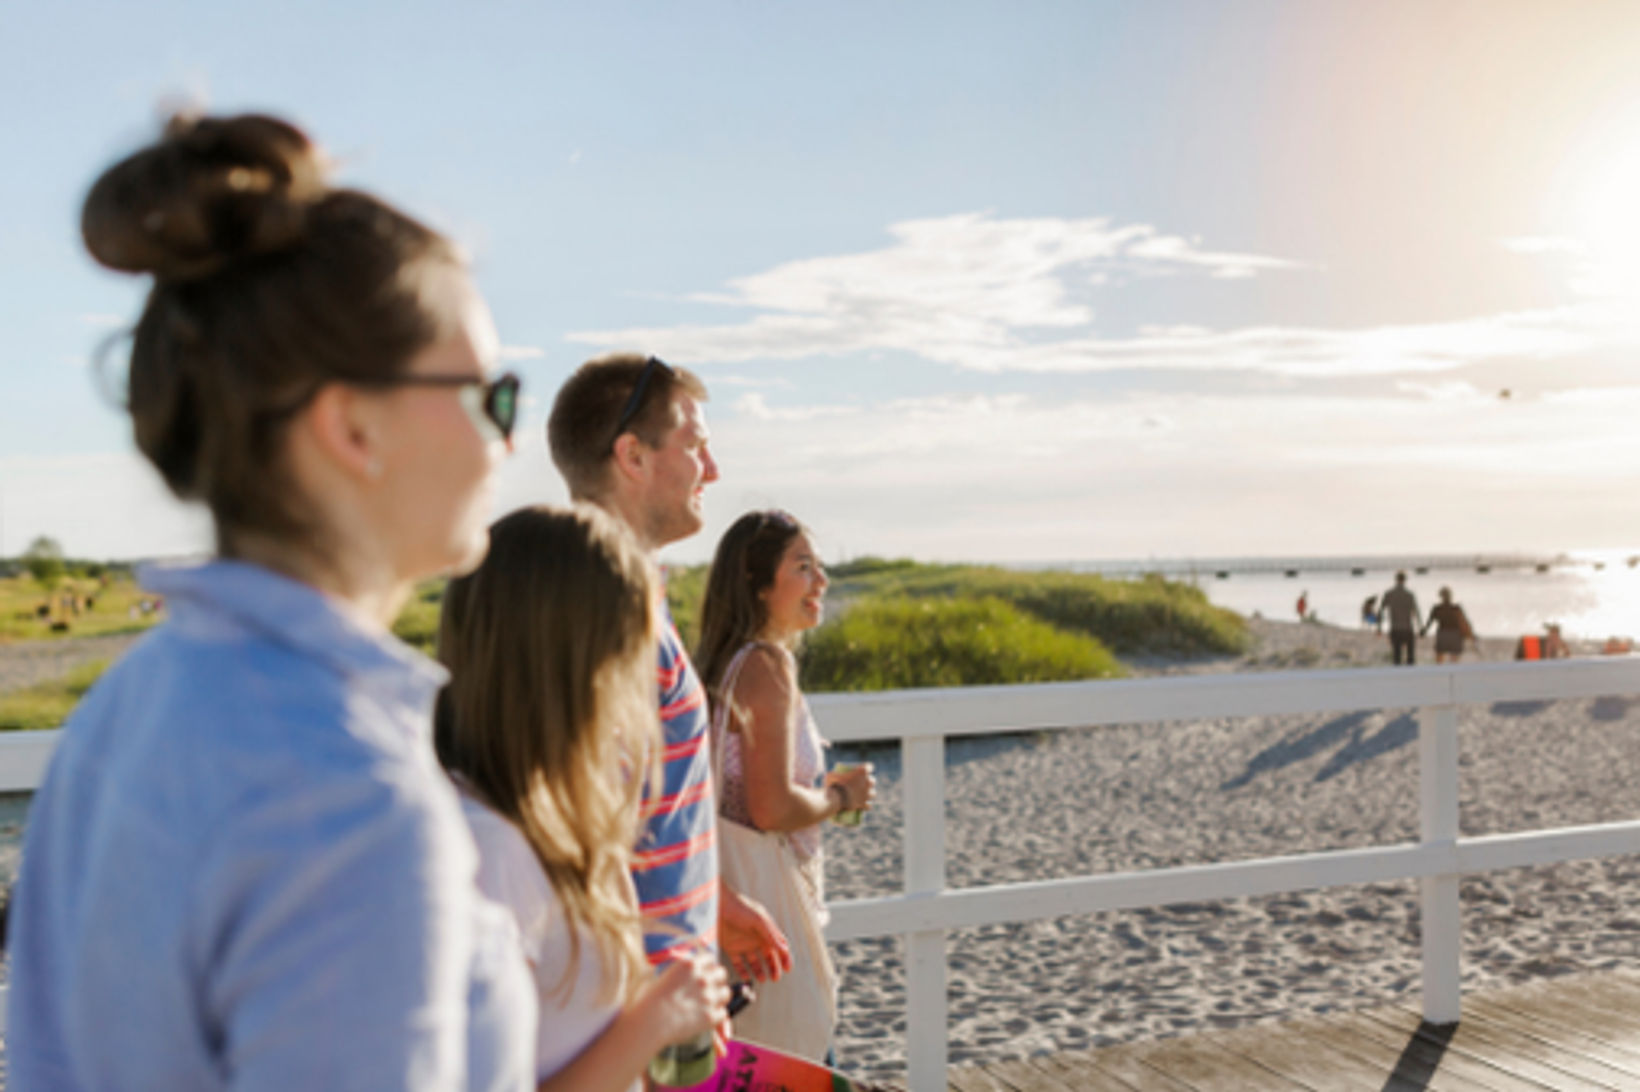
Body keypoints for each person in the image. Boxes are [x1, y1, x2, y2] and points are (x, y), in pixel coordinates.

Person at [8, 113, 535, 1089]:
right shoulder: (342, 791)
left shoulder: (135, 704)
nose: (506, 437)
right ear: (352, 426)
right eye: (489, 395)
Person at [435, 506, 730, 1090]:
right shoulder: (489, 848)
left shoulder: (547, 821)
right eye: (630, 656)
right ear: (577, 667)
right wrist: (653, 1023)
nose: (636, 695)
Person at [546, 355, 793, 997]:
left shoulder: (628, 596)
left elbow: (640, 810)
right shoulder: (599, 612)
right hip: (634, 1014)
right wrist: (665, 1004)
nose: (712, 470)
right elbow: (581, 829)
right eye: (695, 446)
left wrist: (710, 898)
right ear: (632, 456)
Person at [695, 510, 877, 1062]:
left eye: (819, 567)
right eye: (803, 567)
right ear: (757, 583)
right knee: (798, 1058)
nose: (821, 581)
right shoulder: (766, 665)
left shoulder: (722, 663)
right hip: (764, 906)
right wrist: (841, 798)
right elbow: (770, 807)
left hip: (725, 899)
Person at [1378, 570, 1423, 666]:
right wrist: (1421, 627)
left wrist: (1379, 627)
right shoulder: (1409, 595)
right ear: (1405, 580)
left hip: (1395, 628)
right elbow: (1416, 612)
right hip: (1407, 628)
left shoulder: (1389, 594)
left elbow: (1381, 610)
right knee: (1411, 657)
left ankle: (1397, 678)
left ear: (1396, 579)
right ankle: (1410, 678)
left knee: (1396, 656)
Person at [1422, 586, 1476, 664]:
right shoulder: (1456, 608)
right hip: (1455, 635)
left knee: (1439, 658)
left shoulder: (1437, 609)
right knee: (1454, 659)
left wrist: (1423, 632)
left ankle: (1440, 672)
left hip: (1443, 634)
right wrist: (1471, 634)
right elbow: (1464, 622)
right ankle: (1453, 672)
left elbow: (1429, 623)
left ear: (1441, 596)